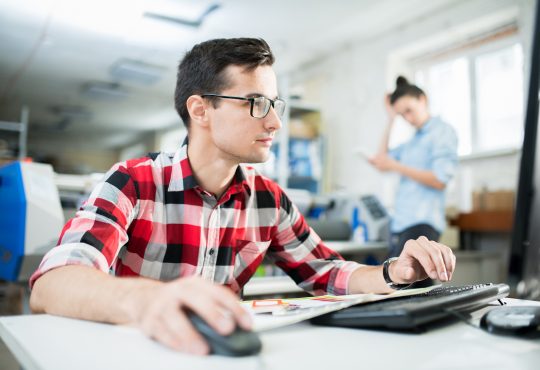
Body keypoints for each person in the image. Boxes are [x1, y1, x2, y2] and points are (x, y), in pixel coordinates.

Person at [29, 39, 456, 355]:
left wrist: (392, 272)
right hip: (131, 355)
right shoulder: (133, 181)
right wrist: (150, 299)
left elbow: (324, 271)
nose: (274, 122)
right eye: (254, 103)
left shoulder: (268, 200)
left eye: (274, 104)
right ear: (200, 110)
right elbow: (52, 285)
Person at [369, 76, 458, 286]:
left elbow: (440, 179)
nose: (407, 118)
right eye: (402, 115)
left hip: (422, 224)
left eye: (409, 110)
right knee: (392, 287)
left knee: (410, 292)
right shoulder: (412, 142)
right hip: (401, 224)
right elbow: (381, 160)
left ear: (423, 99)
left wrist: (397, 167)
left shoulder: (441, 132)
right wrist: (390, 119)